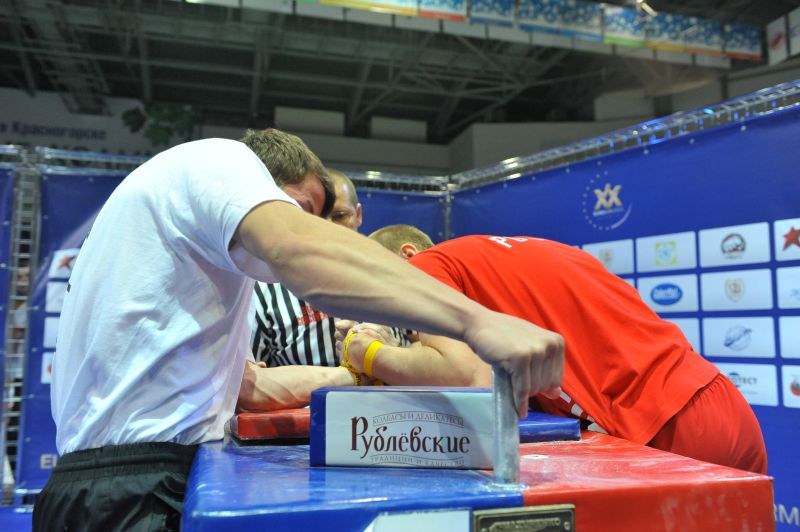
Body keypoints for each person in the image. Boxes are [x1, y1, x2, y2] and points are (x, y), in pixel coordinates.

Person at [33, 131, 564, 531]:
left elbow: (248, 386)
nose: (317, 230)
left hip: (113, 484)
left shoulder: (191, 264)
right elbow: (297, 248)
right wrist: (477, 320)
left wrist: (358, 371)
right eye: (305, 211)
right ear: (263, 184)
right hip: (134, 487)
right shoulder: (220, 160)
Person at [342, 224, 768, 475]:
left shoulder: (429, 266)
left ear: (408, 255)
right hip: (721, 408)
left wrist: (368, 353)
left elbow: (460, 373)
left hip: (667, 432)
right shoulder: (527, 255)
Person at [245, 169, 407, 410]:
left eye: (340, 216)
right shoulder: (265, 291)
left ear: (358, 215)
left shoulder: (392, 276)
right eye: (316, 218)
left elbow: (429, 358)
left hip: (391, 421)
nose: (329, 228)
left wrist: (390, 354)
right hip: (303, 431)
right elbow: (250, 386)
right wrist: (355, 373)